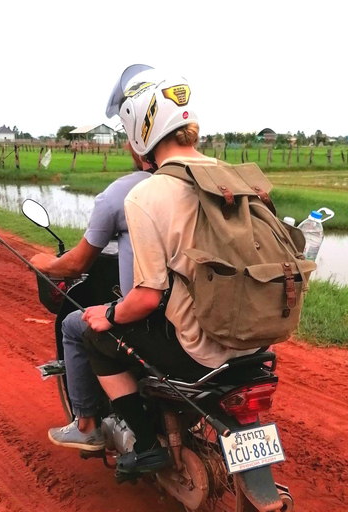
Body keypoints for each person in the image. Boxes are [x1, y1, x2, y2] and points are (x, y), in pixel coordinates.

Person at [80, 66, 257, 474]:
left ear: (141, 132)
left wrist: (107, 314)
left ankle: (145, 444)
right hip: (252, 340)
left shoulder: (147, 194)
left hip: (199, 350)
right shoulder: (234, 178)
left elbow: (145, 297)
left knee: (95, 339)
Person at [30, 131, 152, 452]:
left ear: (140, 146)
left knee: (75, 326)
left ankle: (86, 425)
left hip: (150, 317)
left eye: (129, 139)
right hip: (198, 314)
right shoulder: (198, 184)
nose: (126, 145)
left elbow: (77, 263)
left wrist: (45, 262)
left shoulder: (121, 193)